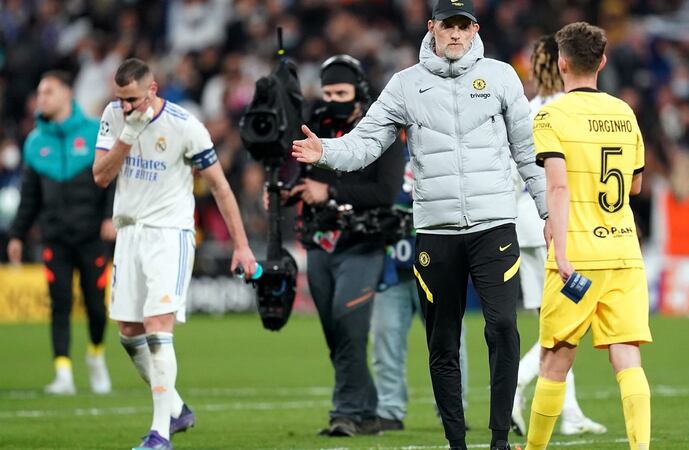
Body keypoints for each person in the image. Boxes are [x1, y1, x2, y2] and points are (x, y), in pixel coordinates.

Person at [292, 1, 548, 448]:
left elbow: (527, 153)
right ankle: (455, 443)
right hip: (437, 231)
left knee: (502, 327)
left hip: (494, 226)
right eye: (447, 25)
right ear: (432, 28)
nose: (455, 34)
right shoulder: (405, 85)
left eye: (462, 26)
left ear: (474, 29)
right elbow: (366, 144)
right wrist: (327, 153)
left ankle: (500, 440)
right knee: (442, 342)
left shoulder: (503, 76)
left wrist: (550, 213)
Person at [92, 58, 257, 450]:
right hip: (129, 233)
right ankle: (178, 409)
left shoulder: (185, 126)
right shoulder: (114, 116)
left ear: (153, 90)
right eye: (120, 99)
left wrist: (242, 245)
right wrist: (127, 135)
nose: (125, 106)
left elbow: (219, 186)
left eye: (132, 99)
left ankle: (159, 434)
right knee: (128, 333)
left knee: (156, 327)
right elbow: (101, 176)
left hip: (170, 234)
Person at [524, 22, 651, 450]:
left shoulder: (550, 116)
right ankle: (641, 447)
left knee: (556, 357)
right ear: (602, 61)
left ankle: (536, 449)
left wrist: (560, 251)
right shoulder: (624, 112)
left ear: (561, 63)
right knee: (627, 354)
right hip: (623, 251)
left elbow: (557, 187)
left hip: (576, 253)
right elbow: (634, 187)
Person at [271, 55, 404, 437]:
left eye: (341, 92)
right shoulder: (314, 128)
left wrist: (328, 189)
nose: (333, 99)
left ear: (359, 91)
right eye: (328, 92)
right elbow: (298, 176)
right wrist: (282, 192)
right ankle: (366, 409)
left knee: (348, 319)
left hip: (364, 243)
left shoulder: (383, 129)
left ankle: (344, 413)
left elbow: (385, 191)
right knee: (335, 328)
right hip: (319, 242)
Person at [510, 35, 606, 438]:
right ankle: (514, 384)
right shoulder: (569, 111)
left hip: (524, 223)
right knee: (568, 325)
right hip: (559, 227)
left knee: (553, 323)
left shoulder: (527, 110)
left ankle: (569, 412)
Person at [7, 71, 114, 395]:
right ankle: (63, 372)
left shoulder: (95, 131)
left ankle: (96, 356)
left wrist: (111, 217)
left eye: (48, 92)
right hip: (55, 238)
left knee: (97, 306)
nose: (41, 98)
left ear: (68, 94)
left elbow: (112, 179)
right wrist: (17, 235)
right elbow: (29, 196)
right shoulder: (35, 142)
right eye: (40, 93)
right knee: (60, 303)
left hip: (92, 236)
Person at [371, 146, 470, 433]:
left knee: (449, 339)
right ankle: (389, 411)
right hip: (392, 266)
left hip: (437, 262)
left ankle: (453, 409)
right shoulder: (382, 150)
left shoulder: (442, 145)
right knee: (385, 338)